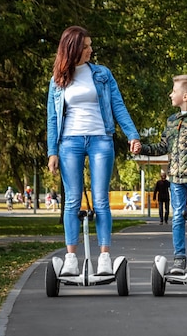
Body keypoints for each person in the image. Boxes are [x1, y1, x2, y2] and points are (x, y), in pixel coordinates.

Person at [47, 25, 141, 277]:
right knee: (72, 201)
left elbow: (118, 106)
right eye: (86, 46)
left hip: (101, 139)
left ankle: (104, 257)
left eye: (90, 45)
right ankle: (70, 258)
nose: (90, 50)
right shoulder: (58, 80)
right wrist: (52, 152)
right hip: (70, 142)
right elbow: (52, 120)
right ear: (73, 48)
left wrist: (132, 134)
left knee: (101, 200)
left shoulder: (102, 74)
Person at [133, 74, 187, 275]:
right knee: (178, 218)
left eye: (174, 91)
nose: (170, 94)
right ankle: (179, 258)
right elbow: (163, 146)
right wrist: (142, 148)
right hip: (175, 180)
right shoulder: (171, 121)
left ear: (185, 96)